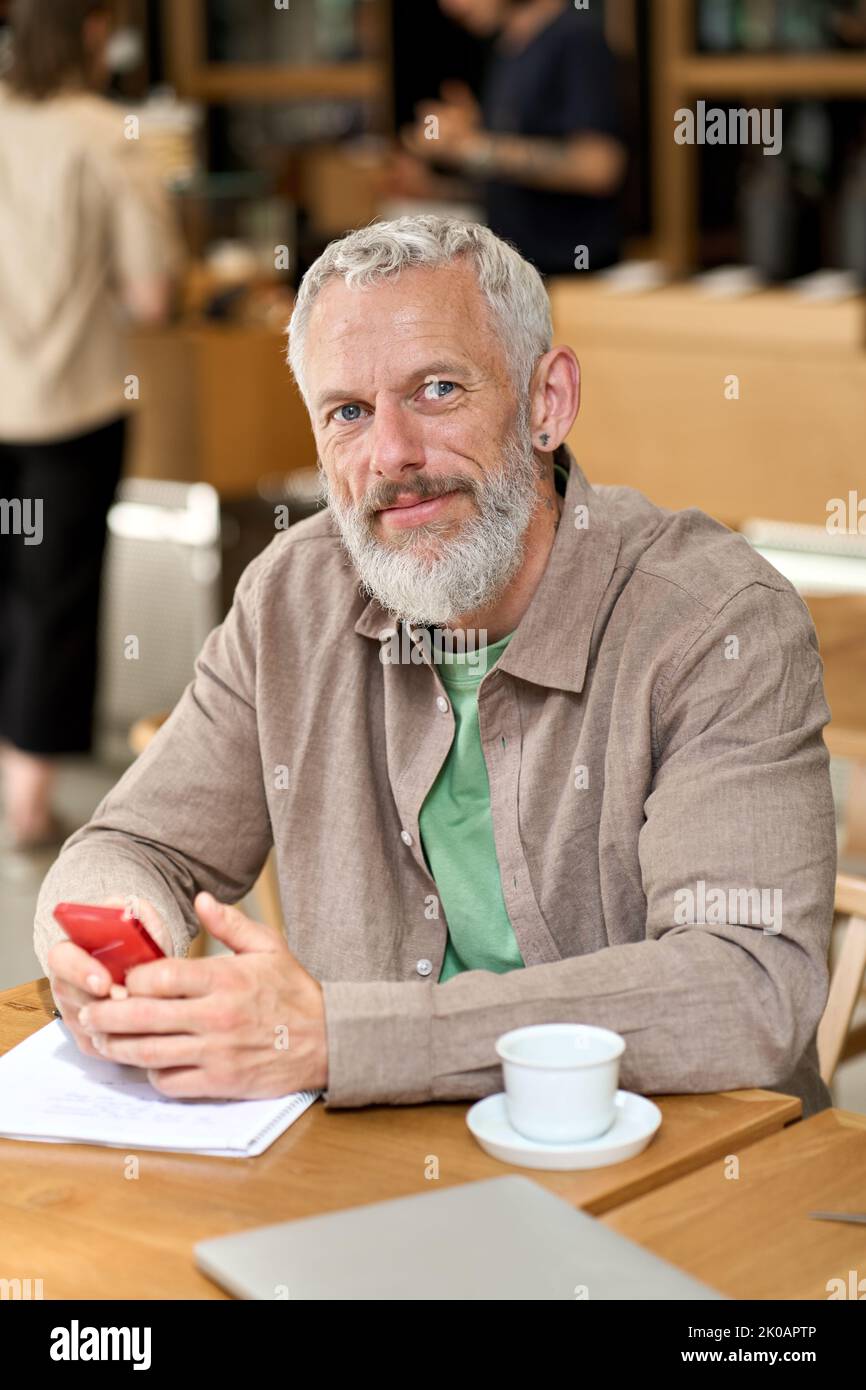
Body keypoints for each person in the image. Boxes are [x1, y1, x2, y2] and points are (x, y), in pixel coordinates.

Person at [35, 215, 836, 1119]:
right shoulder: (293, 598)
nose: (393, 458)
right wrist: (112, 938)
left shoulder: (718, 623)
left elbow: (747, 986)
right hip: (372, 1182)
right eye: (348, 412)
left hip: (678, 1191)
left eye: (438, 389)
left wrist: (346, 1039)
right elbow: (134, 847)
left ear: (548, 401)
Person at [0, 0, 182, 850]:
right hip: (66, 406)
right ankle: (27, 805)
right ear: (89, 32)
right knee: (54, 596)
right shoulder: (106, 131)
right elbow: (152, 291)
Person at [398, 0, 626, 274]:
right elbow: (510, 185)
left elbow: (599, 167)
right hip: (515, 275)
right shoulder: (508, 45)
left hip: (572, 275)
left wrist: (470, 147)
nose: (451, 6)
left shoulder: (576, 35)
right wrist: (435, 188)